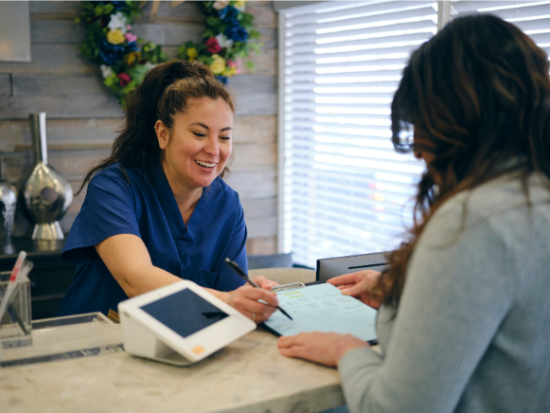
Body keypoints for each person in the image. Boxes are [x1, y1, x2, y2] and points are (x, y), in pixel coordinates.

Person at [278, 15, 550, 412]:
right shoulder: (534, 196)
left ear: (454, 118)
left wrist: (345, 349)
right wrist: (403, 293)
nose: (418, 151)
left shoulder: (472, 221)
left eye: (421, 121)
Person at [58, 60, 278, 323]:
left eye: (224, 137)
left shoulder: (227, 205)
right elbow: (135, 277)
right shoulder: (114, 188)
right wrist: (225, 301)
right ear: (163, 134)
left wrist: (250, 299)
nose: (214, 150)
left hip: (185, 347)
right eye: (199, 133)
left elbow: (231, 298)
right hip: (95, 347)